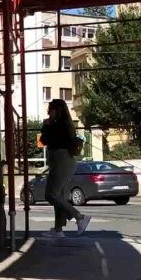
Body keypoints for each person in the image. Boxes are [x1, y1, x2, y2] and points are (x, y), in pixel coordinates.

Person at [40, 99, 91, 238]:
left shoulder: (59, 126)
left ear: (58, 110)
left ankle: (79, 217)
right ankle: (58, 229)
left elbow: (44, 140)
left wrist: (45, 125)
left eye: (50, 109)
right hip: (64, 161)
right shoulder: (66, 125)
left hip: (61, 161)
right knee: (59, 196)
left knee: (51, 194)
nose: (48, 112)